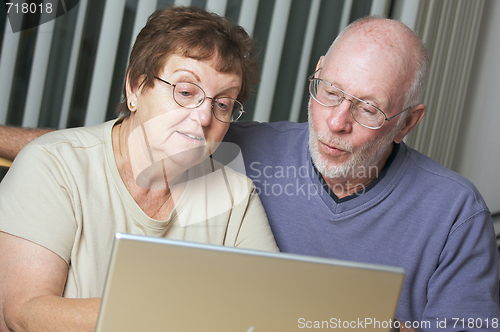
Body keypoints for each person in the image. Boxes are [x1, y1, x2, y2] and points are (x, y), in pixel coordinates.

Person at [1, 15, 498, 332]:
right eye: (329, 91)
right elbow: (107, 146)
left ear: (408, 121)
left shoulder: (456, 212)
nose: (336, 121)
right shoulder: (231, 145)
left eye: (369, 108)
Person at [0, 6, 277, 332]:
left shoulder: (236, 196)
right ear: (135, 86)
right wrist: (169, 313)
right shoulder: (53, 165)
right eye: (186, 92)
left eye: (222, 104)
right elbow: (23, 315)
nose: (204, 117)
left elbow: (272, 312)